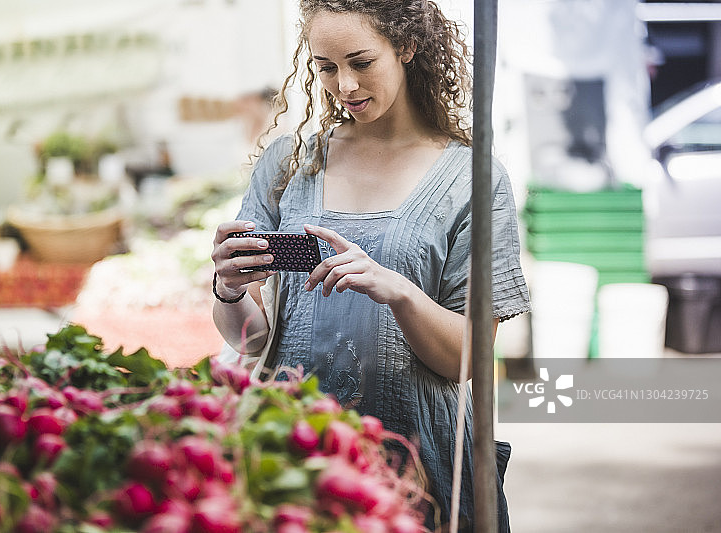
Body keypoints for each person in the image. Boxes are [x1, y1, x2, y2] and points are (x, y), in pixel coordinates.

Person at [211, 1, 530, 530]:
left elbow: (469, 358)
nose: (345, 85)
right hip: (293, 452)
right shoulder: (291, 162)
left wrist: (398, 292)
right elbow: (250, 341)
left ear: (406, 48)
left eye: (361, 62)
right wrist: (228, 287)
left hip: (416, 464)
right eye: (326, 67)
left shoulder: (472, 178)